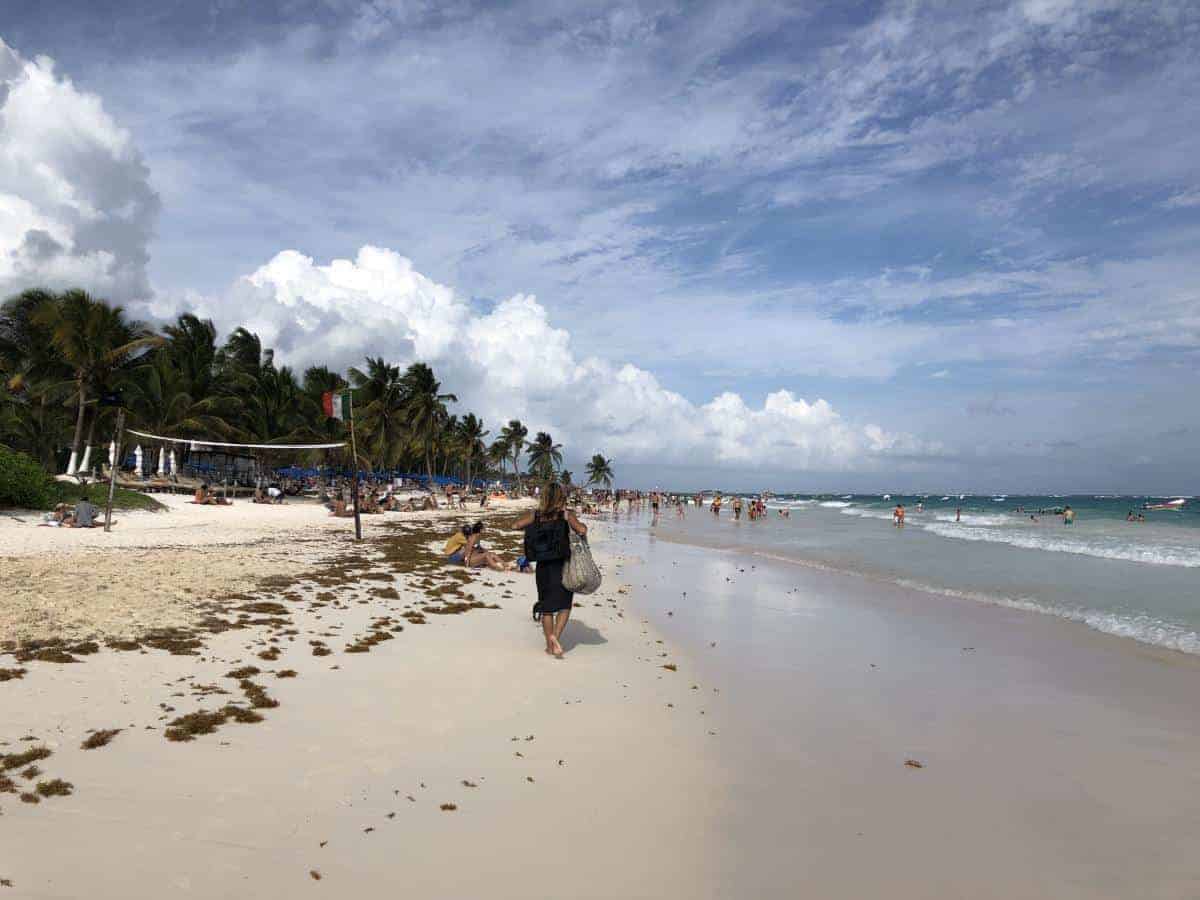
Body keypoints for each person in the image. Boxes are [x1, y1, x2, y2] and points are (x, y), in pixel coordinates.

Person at [511, 482, 587, 658]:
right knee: (565, 605)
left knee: (546, 606)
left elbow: (515, 526)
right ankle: (555, 637)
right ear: (561, 497)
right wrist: (574, 525)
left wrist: (531, 527)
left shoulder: (536, 515)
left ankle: (549, 646)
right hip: (563, 565)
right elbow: (582, 530)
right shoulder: (566, 515)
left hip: (543, 567)